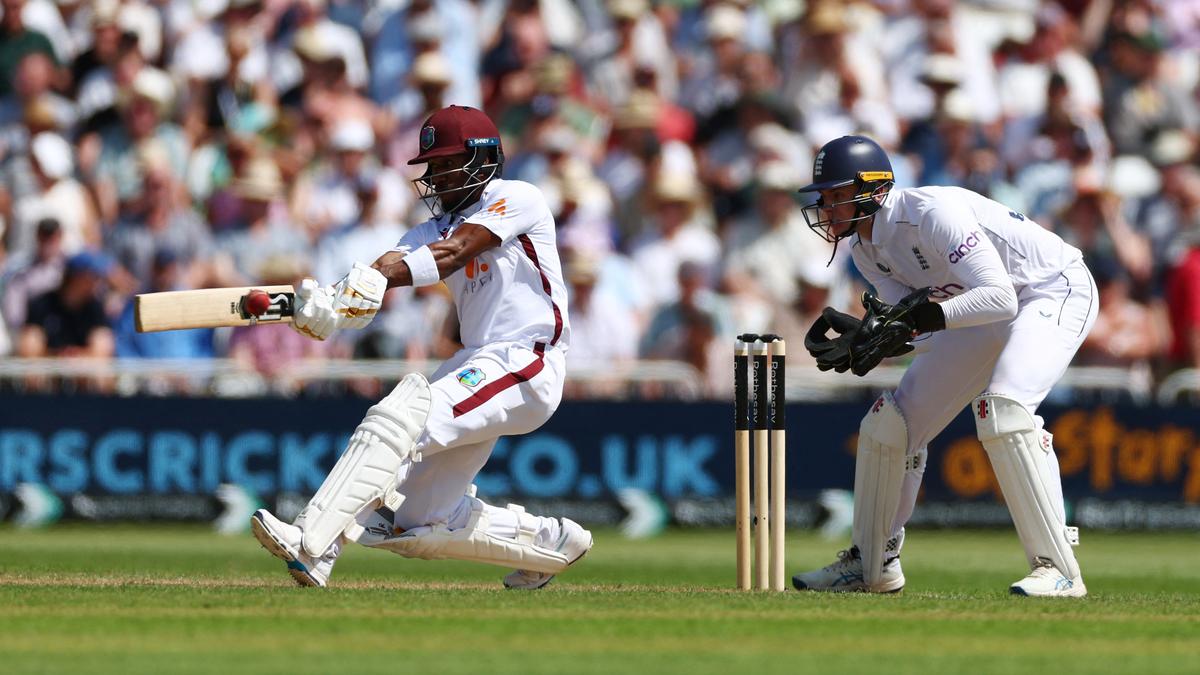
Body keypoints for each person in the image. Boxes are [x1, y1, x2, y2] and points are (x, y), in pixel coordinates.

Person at [249, 105, 591, 589]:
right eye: (432, 166)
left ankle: (313, 542)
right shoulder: (432, 227)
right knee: (416, 518)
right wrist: (330, 303)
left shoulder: (519, 198)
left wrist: (376, 277)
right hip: (480, 360)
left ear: (483, 159)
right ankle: (550, 542)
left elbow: (455, 252)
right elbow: (386, 266)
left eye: (447, 164)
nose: (436, 177)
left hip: (527, 359)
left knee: (402, 414)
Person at [793, 135, 1096, 597]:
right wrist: (874, 340)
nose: (828, 209)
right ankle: (872, 563)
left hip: (1049, 289)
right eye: (824, 198)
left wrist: (914, 321)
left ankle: (1058, 568)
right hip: (983, 314)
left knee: (1005, 408)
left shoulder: (930, 213)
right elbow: (922, 331)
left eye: (837, 196)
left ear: (873, 189)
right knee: (889, 426)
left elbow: (999, 295)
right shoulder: (864, 251)